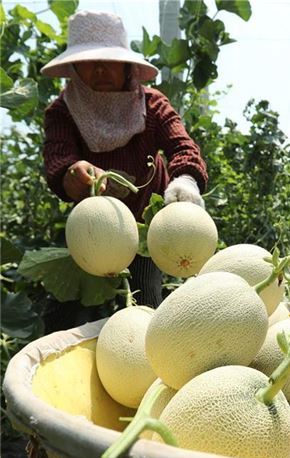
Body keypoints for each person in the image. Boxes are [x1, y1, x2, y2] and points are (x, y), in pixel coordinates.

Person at [41, 10, 207, 327]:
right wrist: (71, 173)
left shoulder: (153, 104)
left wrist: (184, 181)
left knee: (145, 308)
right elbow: (57, 159)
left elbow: (183, 147)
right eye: (88, 61)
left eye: (109, 59)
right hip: (92, 229)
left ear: (128, 65)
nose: (100, 68)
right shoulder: (62, 111)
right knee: (65, 317)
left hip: (145, 229)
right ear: (73, 68)